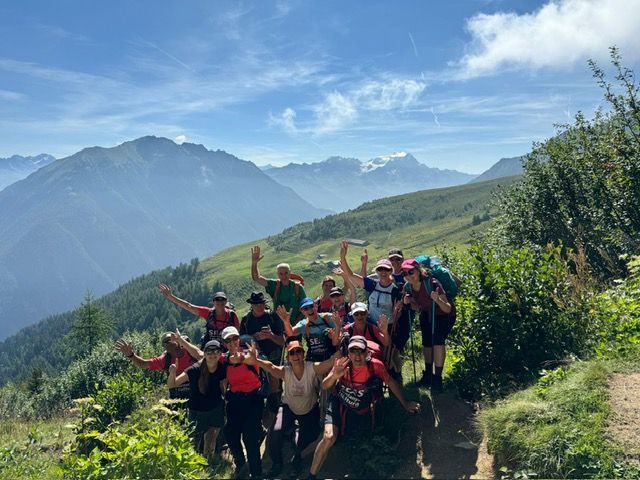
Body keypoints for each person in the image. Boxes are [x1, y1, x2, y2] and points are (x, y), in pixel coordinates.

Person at [308, 336, 421, 480]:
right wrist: (334, 376)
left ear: (367, 352)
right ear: (348, 353)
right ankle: (311, 476)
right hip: (338, 404)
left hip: (360, 411)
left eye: (360, 351)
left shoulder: (376, 366)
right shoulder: (342, 364)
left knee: (359, 442)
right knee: (329, 437)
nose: (357, 356)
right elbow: (324, 385)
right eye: (353, 351)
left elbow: (391, 382)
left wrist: (405, 403)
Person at [243, 339, 336, 477]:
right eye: (292, 353)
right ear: (288, 358)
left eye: (299, 351)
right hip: (288, 408)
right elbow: (271, 367)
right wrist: (256, 361)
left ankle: (296, 461)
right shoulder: (285, 371)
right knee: (275, 432)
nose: (296, 355)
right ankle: (277, 464)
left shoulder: (311, 367)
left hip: (309, 410)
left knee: (305, 441)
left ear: (303, 354)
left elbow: (327, 364)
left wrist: (340, 351)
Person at [167, 339, 227, 461]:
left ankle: (208, 464)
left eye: (216, 351)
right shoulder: (194, 370)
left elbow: (223, 388)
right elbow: (172, 384)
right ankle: (190, 465)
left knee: (211, 440)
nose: (213, 355)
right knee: (193, 442)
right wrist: (172, 373)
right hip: (197, 412)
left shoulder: (222, 368)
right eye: (209, 352)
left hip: (215, 409)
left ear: (220, 353)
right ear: (204, 354)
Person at [401, 258, 453, 391]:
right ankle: (428, 375)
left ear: (418, 270)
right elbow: (417, 307)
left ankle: (437, 378)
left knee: (438, 341)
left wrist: (438, 299)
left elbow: (448, 308)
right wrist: (408, 302)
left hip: (443, 314)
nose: (408, 276)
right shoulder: (407, 287)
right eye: (405, 273)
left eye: (411, 272)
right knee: (427, 343)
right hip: (427, 314)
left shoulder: (433, 284)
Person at [220, 326, 265, 479]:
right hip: (235, 400)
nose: (232, 342)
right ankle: (241, 464)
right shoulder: (224, 359)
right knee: (230, 433)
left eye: (234, 338)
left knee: (249, 437)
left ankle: (256, 473)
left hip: (253, 399)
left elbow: (252, 360)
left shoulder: (249, 353)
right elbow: (204, 356)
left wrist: (246, 358)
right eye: (228, 340)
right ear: (224, 343)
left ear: (238, 339)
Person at [338, 241, 403, 344]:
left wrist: (397, 311)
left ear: (391, 271)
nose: (383, 272)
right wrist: (343, 257)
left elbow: (397, 315)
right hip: (370, 326)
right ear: (376, 271)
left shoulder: (395, 291)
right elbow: (351, 275)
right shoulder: (372, 285)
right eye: (380, 269)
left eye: (386, 269)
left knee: (385, 352)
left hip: (388, 327)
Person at [115, 330, 202, 398]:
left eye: (171, 340)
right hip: (177, 393)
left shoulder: (191, 352)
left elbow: (202, 356)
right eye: (166, 343)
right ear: (165, 347)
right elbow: (143, 364)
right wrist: (131, 355)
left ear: (178, 340)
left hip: (197, 391)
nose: (170, 344)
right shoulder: (165, 360)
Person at [239, 291, 285, 412]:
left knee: (275, 384)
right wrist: (253, 337)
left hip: (274, 356)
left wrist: (270, 336)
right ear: (251, 305)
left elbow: (283, 341)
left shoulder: (273, 317)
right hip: (255, 358)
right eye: (256, 304)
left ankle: (274, 409)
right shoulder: (246, 320)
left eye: (261, 303)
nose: (259, 306)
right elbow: (241, 342)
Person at [158, 284, 239, 346]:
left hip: (228, 348)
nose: (220, 302)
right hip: (211, 348)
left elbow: (238, 334)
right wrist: (171, 296)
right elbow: (188, 306)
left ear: (226, 301)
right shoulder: (208, 313)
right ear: (213, 302)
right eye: (217, 299)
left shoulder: (232, 315)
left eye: (223, 299)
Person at [251, 245, 307, 323]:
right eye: (281, 274)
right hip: (277, 326)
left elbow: (305, 308)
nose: (284, 276)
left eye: (286, 273)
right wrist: (254, 264)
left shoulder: (298, 287)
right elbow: (256, 278)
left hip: (296, 326)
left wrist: (294, 326)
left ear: (290, 273)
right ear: (277, 274)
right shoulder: (274, 285)